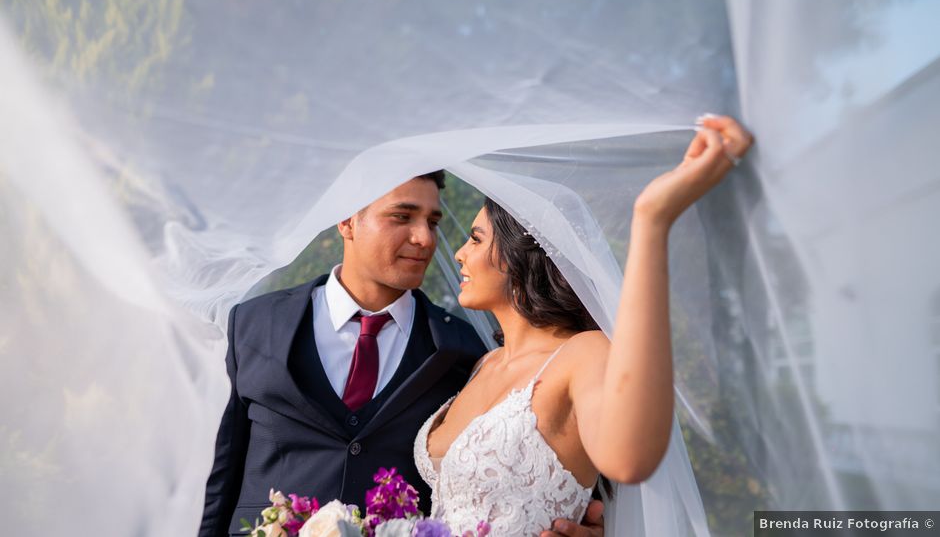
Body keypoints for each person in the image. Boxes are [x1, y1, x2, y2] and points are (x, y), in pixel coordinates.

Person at [200, 171, 605, 537]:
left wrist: (590, 527)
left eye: (432, 222)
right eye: (402, 216)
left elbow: (552, 461)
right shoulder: (253, 324)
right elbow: (221, 478)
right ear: (347, 220)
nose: (425, 239)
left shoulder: (465, 352)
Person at [415, 115, 753, 535]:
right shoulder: (483, 364)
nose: (460, 255)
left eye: (477, 239)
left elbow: (629, 458)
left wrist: (652, 219)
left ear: (521, 256)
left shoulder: (584, 353)